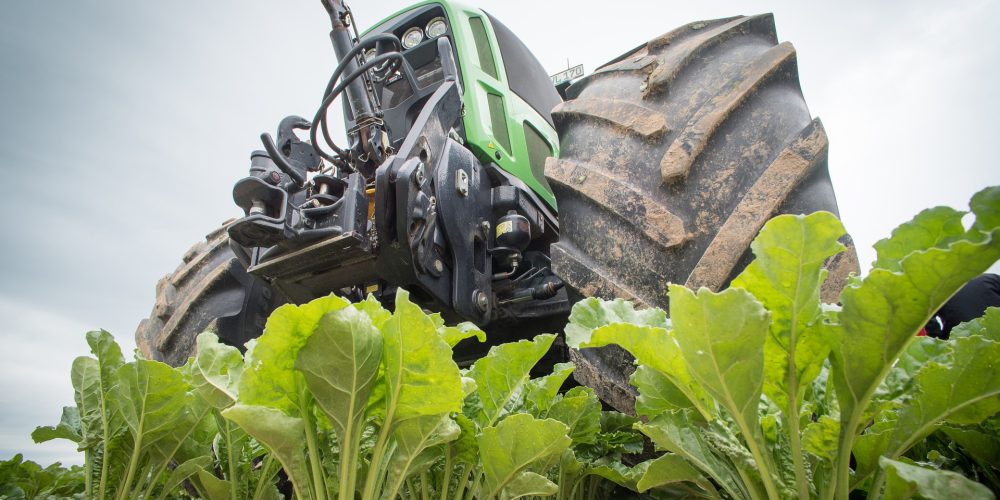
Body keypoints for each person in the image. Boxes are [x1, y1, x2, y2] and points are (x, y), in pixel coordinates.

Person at [924, 273, 1000, 339]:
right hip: (996, 329)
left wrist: (939, 339)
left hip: (963, 338)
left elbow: (928, 321)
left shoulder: (938, 293)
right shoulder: (990, 278)